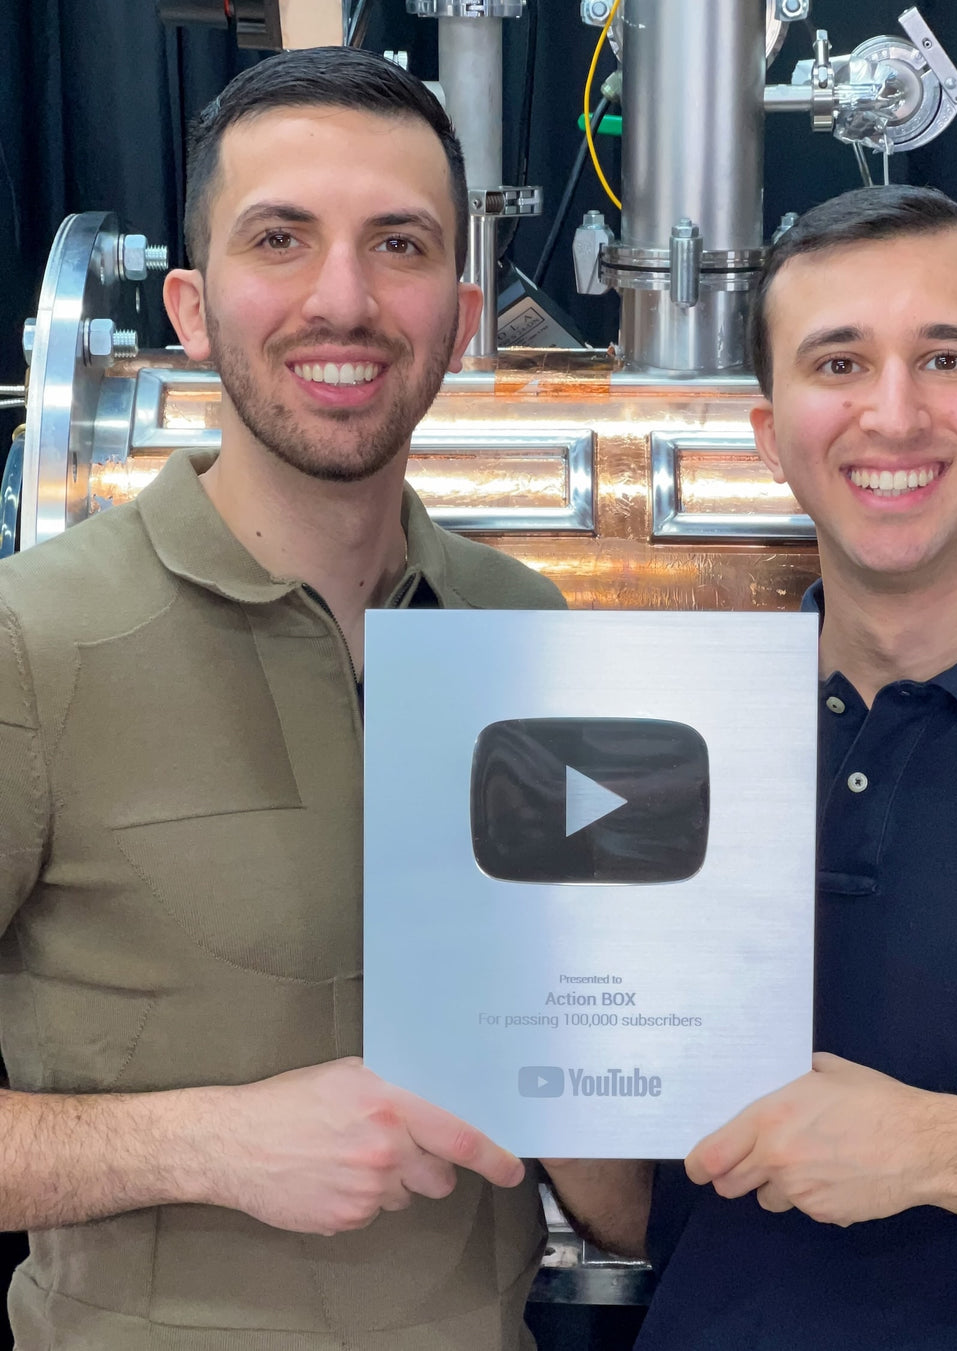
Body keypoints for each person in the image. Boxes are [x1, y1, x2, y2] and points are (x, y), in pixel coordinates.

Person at [543, 186, 957, 1349]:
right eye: (838, 363)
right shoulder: (663, 744)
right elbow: (650, 1211)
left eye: (945, 358)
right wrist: (523, 1049)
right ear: (768, 435)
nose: (891, 414)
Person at [0, 46, 562, 1350]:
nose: (345, 298)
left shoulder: (522, 626)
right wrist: (212, 1139)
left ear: (462, 317)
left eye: (401, 244)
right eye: (281, 238)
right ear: (192, 309)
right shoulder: (32, 641)